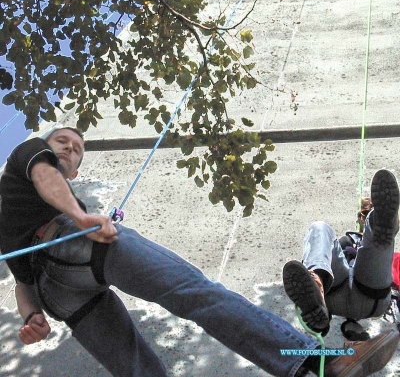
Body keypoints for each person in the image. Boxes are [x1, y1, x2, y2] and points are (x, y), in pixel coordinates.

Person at [0, 128, 398, 377]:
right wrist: (78, 216)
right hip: (69, 247)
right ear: (45, 147)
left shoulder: (21, 209)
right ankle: (324, 362)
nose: (68, 149)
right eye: (62, 143)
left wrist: (31, 312)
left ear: (75, 173)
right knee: (194, 296)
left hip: (61, 284)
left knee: (147, 352)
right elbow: (43, 175)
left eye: (76, 150)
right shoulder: (30, 156)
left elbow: (22, 282)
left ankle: (323, 361)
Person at [282, 169, 399, 342]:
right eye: (366, 215)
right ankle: (317, 285)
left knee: (379, 249)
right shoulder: (343, 241)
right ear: (360, 219)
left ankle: (382, 224)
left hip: (370, 291)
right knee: (320, 227)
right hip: (337, 291)